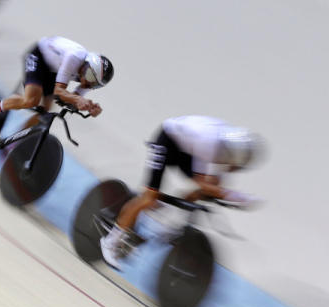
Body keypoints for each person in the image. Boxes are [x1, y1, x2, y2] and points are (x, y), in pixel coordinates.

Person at [100, 116, 263, 270]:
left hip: (186, 149)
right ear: (233, 155)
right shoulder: (209, 142)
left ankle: (168, 220)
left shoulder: (227, 147)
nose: (234, 169)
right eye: (236, 166)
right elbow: (203, 183)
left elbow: (215, 186)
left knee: (208, 188)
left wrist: (226, 195)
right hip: (167, 141)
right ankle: (109, 242)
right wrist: (237, 197)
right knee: (149, 198)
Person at [0, 36, 114, 138]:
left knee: (44, 113)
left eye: (94, 84)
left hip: (53, 70)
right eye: (89, 77)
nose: (88, 84)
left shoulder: (89, 79)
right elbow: (59, 91)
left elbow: (71, 100)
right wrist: (77, 100)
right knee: (31, 100)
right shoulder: (75, 57)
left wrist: (89, 107)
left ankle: (15, 141)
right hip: (39, 56)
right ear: (86, 64)